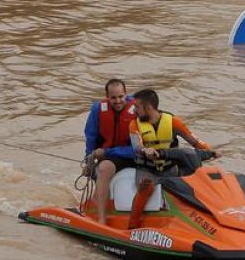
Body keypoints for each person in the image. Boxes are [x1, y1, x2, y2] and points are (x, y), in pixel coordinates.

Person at [126, 88, 214, 228]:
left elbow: (195, 141)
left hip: (170, 169)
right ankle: (133, 225)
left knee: (190, 189)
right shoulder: (134, 124)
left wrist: (211, 151)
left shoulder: (174, 122)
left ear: (148, 107)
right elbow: (137, 146)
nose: (134, 111)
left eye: (137, 107)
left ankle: (194, 224)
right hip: (147, 170)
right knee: (146, 186)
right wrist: (145, 150)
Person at [82, 79, 137, 225]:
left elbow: (138, 149)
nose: (118, 101)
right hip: (108, 158)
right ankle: (101, 219)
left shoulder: (137, 110)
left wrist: (107, 151)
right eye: (113, 98)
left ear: (126, 94)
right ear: (107, 96)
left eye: (121, 96)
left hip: (131, 155)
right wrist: (89, 160)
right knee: (104, 168)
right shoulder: (97, 110)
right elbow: (91, 138)